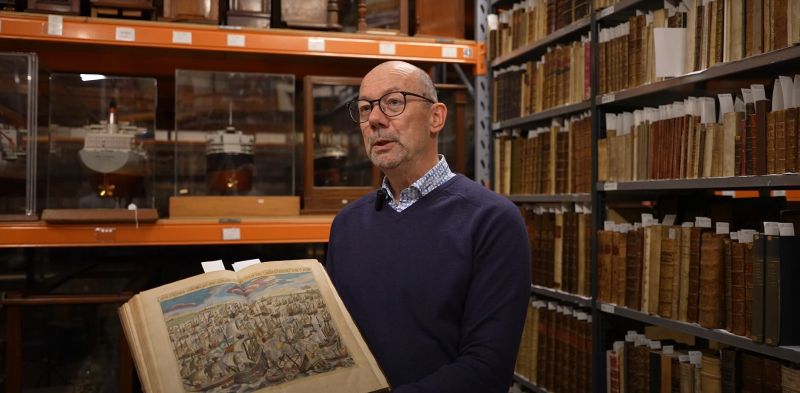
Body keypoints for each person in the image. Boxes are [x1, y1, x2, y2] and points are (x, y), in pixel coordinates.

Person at [325, 60, 531, 393]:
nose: (374, 119)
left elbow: (487, 370)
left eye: (393, 102)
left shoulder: (492, 221)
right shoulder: (346, 225)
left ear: (436, 117)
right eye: (364, 108)